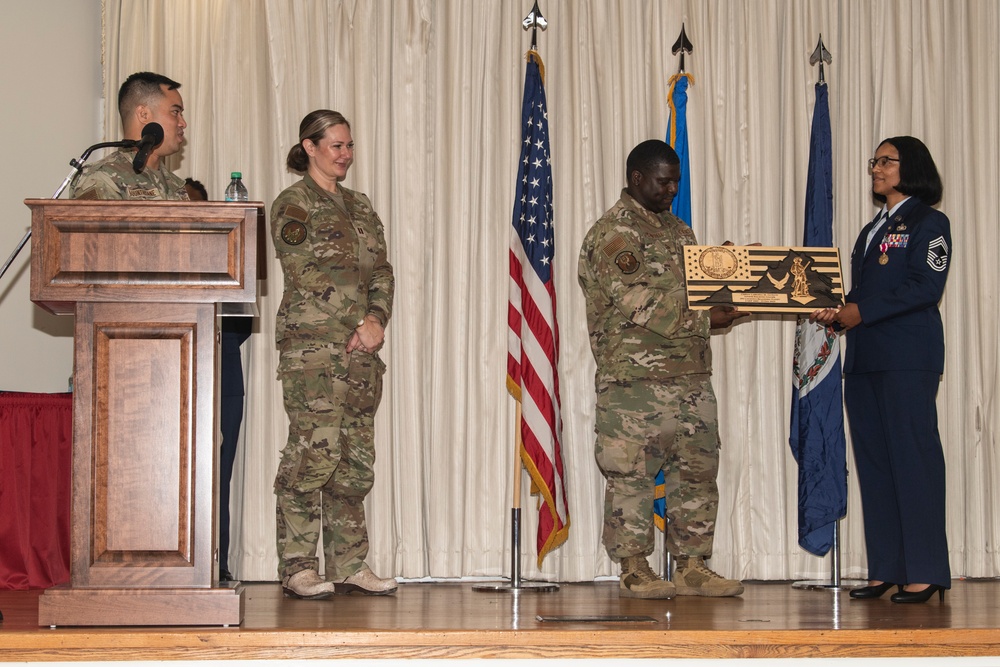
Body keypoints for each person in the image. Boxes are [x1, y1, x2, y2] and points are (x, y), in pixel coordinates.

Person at [578, 140, 748, 599]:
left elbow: (698, 291)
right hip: (634, 382)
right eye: (663, 181)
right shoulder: (613, 235)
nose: (673, 188)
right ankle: (635, 566)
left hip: (690, 376)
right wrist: (707, 315)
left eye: (676, 180)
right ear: (637, 178)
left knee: (696, 472)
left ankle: (692, 564)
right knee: (630, 474)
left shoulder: (679, 231)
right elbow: (638, 301)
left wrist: (737, 281)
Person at [811, 136, 951, 604]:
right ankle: (886, 566)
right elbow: (860, 295)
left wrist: (860, 312)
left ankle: (926, 569)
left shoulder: (930, 222)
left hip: (908, 360)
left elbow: (925, 287)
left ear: (910, 166)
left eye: (886, 161)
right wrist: (835, 309)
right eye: (874, 161)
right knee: (874, 465)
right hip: (867, 360)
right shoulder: (872, 228)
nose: (876, 168)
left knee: (914, 462)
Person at [271, 109, 395, 600]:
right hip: (315, 353)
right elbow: (305, 273)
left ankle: (348, 563)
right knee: (311, 457)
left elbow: (382, 271)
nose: (345, 154)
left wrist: (377, 321)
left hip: (361, 354)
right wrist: (357, 323)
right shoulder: (293, 205)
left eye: (349, 145)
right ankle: (298, 566)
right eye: (336, 146)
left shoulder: (361, 207)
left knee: (353, 463)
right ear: (310, 147)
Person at [185, 177, 252, 583]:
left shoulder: (225, 256)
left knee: (216, 476)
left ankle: (215, 565)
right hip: (158, 375)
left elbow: (242, 320)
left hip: (220, 374)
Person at [69, 71, 189, 200]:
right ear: (143, 114)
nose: (183, 123)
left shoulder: (175, 184)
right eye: (175, 112)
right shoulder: (101, 177)